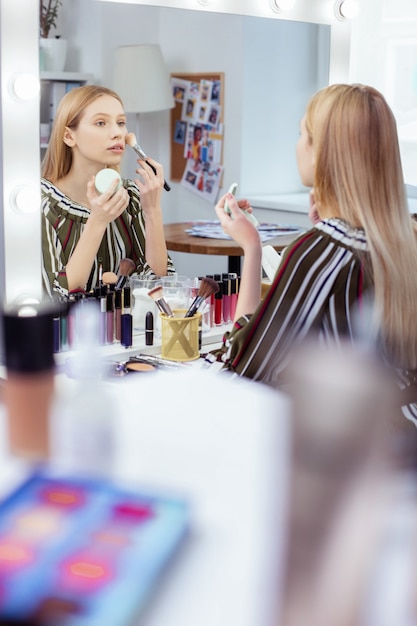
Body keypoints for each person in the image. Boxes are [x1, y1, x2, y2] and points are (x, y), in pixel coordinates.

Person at [214, 83, 417, 428]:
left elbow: (247, 372)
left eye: (301, 134)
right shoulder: (405, 237)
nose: (297, 145)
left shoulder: (323, 250)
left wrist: (251, 247)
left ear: (322, 152)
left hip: (359, 452)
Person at [41, 85, 175, 298]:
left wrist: (152, 210)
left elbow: (158, 287)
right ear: (68, 136)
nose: (118, 133)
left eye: (121, 123)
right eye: (101, 123)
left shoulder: (130, 196)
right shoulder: (44, 204)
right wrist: (98, 221)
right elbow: (57, 298)